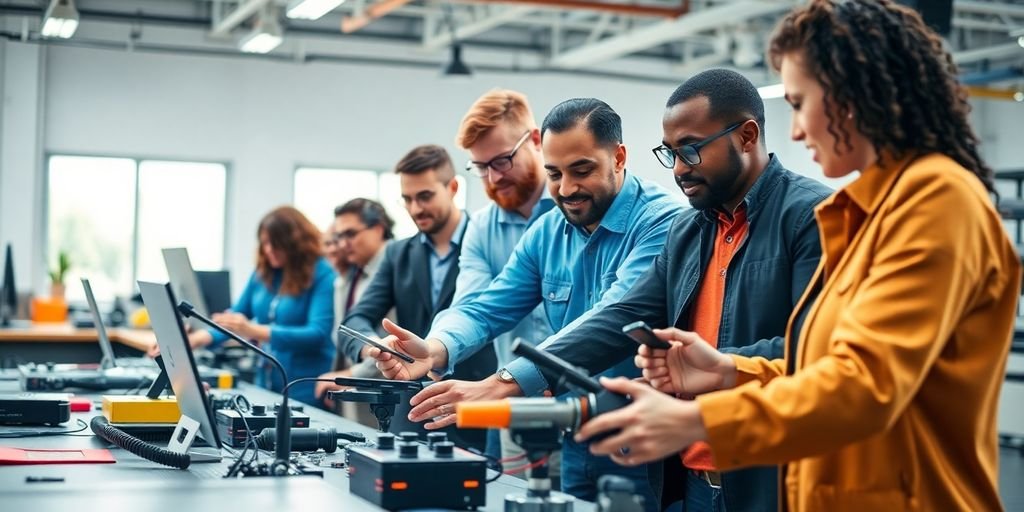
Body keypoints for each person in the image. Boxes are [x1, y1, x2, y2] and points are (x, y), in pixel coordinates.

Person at [576, 2, 1021, 511]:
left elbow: (864, 387)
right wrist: (728, 371)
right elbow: (822, 365)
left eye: (800, 101)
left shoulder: (938, 202)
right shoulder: (870, 213)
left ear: (852, 95)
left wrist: (696, 420)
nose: (794, 131)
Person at [528, 69, 831, 512]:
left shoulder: (810, 217)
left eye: (690, 150)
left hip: (771, 479)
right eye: (670, 153)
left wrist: (726, 366)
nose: (681, 170)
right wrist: (516, 376)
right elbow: (622, 314)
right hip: (688, 480)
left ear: (747, 136)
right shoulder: (688, 230)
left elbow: (816, 350)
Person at [370, 98, 681, 510]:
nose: (567, 189)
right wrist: (434, 348)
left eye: (582, 170)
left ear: (619, 157)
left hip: (643, 443)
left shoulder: (662, 222)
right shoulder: (548, 230)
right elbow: (487, 305)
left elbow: (612, 317)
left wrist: (500, 383)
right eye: (554, 174)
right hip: (576, 435)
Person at [334, 145, 496, 450]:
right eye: (407, 199)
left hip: (478, 405)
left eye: (425, 196)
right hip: (415, 410)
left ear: (453, 188)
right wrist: (375, 348)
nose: (415, 208)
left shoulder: (488, 241)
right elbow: (355, 320)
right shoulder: (398, 254)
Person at [442, 88, 557, 460]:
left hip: (582, 402)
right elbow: (473, 307)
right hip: (513, 403)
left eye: (503, 160)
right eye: (480, 167)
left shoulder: (574, 211)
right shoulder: (481, 228)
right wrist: (435, 347)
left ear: (536, 140)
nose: (493, 178)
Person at [184, 206, 336, 406]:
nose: (269, 249)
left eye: (277, 244)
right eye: (265, 243)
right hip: (265, 383)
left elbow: (317, 333)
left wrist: (254, 330)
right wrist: (196, 339)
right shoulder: (263, 273)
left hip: (304, 388)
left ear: (296, 243)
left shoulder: (322, 273)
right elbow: (235, 318)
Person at [316, 198, 395, 411]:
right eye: (339, 236)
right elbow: (341, 334)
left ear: (378, 229)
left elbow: (394, 347)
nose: (342, 244)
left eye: (350, 234)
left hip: (386, 395)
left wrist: (350, 376)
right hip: (356, 394)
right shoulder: (352, 275)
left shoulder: (396, 271)